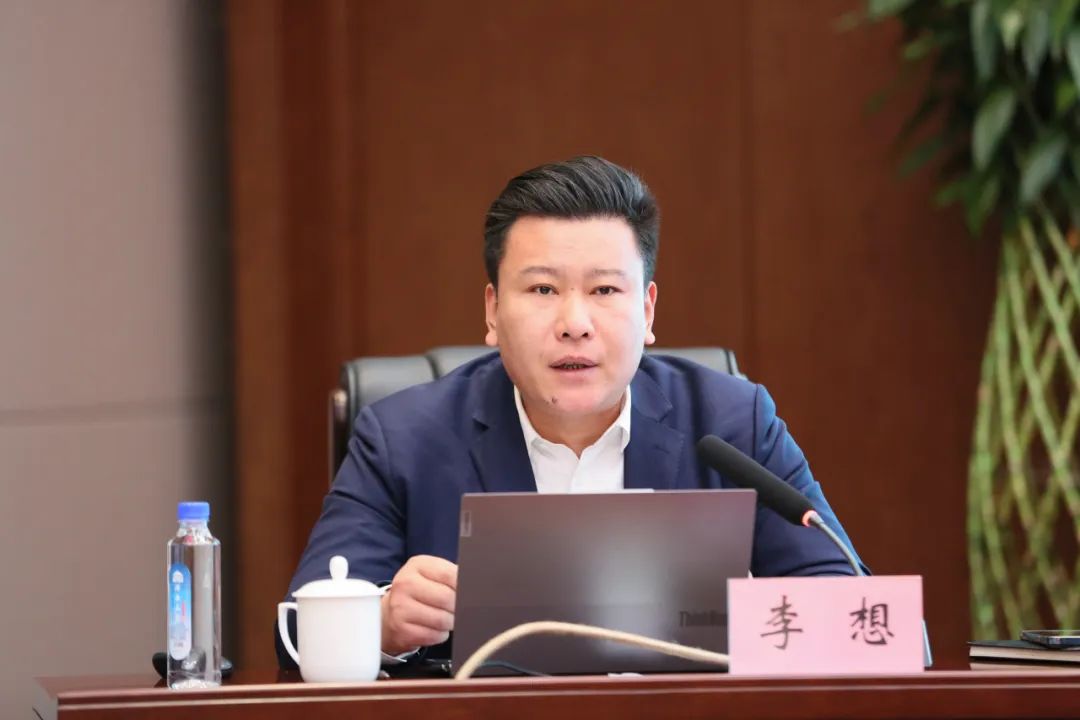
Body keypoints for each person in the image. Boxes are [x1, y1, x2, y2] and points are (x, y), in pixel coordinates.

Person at [277, 156, 864, 669]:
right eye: (542, 290)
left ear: (647, 310)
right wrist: (381, 624)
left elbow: (848, 607)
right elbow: (296, 631)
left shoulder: (733, 422)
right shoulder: (404, 437)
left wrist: (748, 612)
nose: (574, 323)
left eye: (605, 290)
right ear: (492, 311)